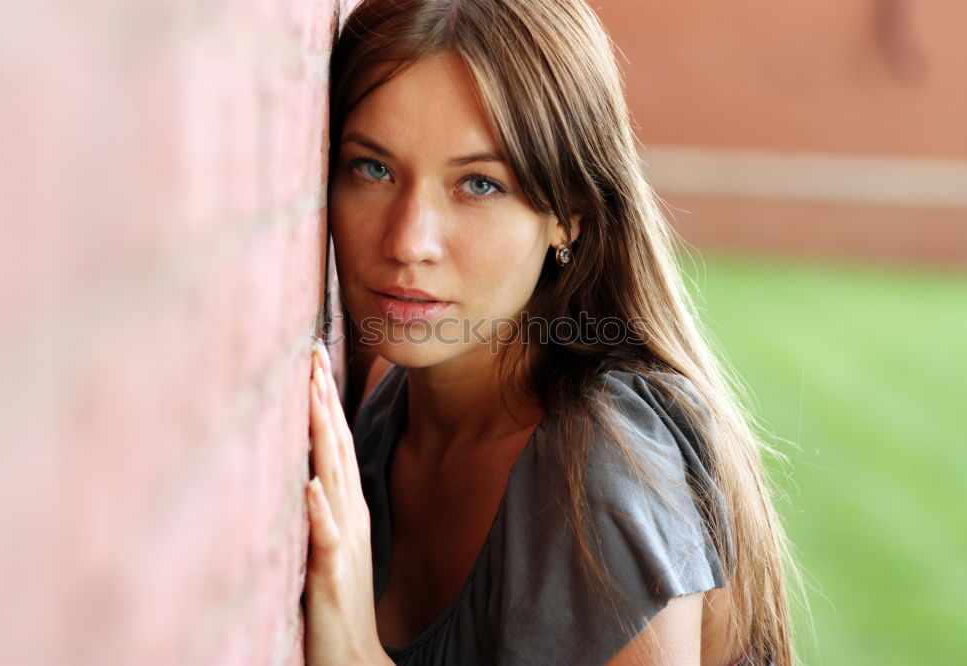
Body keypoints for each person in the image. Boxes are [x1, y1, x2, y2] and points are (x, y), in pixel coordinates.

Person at [304, 0, 799, 664]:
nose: (408, 240)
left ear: (569, 217)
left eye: (479, 184)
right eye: (373, 168)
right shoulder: (384, 400)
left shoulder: (604, 466)